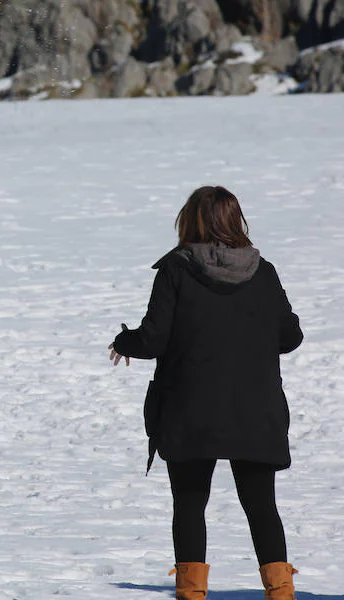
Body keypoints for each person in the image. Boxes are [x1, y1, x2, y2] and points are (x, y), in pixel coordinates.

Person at [108, 186, 303, 600]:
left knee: (190, 503)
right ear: (236, 220)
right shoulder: (263, 271)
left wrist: (124, 342)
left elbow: (155, 339)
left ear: (190, 220)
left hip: (189, 407)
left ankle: (192, 594)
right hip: (254, 407)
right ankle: (281, 592)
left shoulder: (176, 270)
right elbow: (290, 336)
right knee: (261, 506)